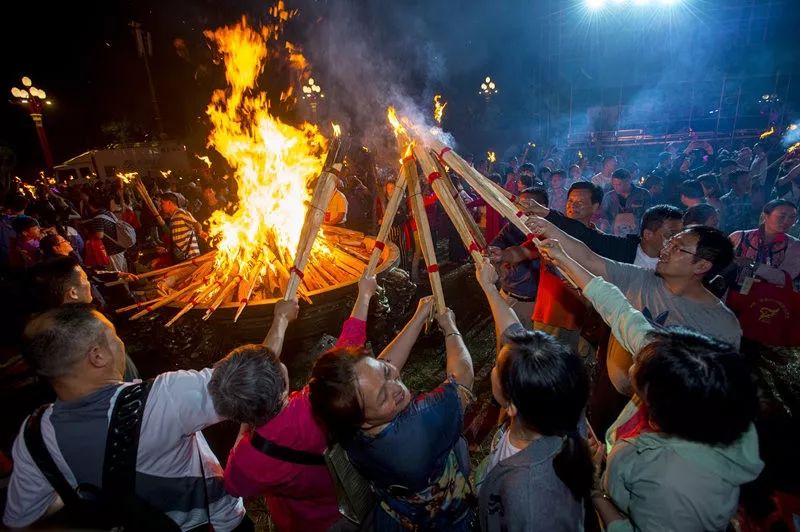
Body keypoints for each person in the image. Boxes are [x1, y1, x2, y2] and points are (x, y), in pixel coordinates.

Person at [534, 240, 763, 532]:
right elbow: (620, 311)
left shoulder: (676, 486)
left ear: (658, 408)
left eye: (636, 373)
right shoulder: (674, 367)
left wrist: (595, 492)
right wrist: (562, 256)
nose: (630, 365)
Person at [3, 304, 248, 530]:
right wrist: (280, 319)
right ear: (97, 355)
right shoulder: (163, 397)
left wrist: (73, 487)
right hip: (213, 525)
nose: (120, 344)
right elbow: (253, 378)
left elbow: (20, 518)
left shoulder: (34, 434)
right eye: (114, 336)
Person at [211, 278, 379, 532]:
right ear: (284, 385)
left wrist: (246, 424)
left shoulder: (248, 458)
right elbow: (347, 345)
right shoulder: (315, 405)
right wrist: (364, 295)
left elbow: (234, 485)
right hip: (346, 507)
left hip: (299, 524)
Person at [525, 216, 742, 395]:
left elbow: (712, 393)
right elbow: (589, 259)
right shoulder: (640, 278)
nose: (664, 250)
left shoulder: (721, 325)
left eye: (677, 248)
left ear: (702, 265)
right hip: (611, 393)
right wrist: (549, 228)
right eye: (669, 241)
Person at [308, 298, 475, 531]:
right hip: (446, 518)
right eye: (383, 397)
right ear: (362, 421)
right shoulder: (420, 426)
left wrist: (418, 318)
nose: (395, 387)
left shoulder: (344, 417)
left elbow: (374, 373)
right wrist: (449, 328)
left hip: (397, 512)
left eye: (386, 372)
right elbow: (463, 378)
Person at [473, 258, 591, 531]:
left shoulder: (528, 497)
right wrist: (489, 288)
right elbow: (513, 332)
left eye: (497, 368)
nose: (493, 370)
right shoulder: (561, 400)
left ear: (512, 405)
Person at [488, 188, 548, 330]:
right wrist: (498, 261)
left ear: (543, 207)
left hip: (536, 303)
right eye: (520, 205)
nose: (523, 210)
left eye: (529, 205)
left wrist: (505, 256)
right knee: (506, 346)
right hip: (509, 296)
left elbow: (525, 252)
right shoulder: (512, 227)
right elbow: (496, 247)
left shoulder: (550, 232)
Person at [729, 199, 800, 287]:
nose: (787, 221)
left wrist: (752, 265)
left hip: (769, 298)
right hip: (731, 294)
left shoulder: (795, 246)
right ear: (765, 216)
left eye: (792, 217)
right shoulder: (739, 237)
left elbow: (784, 278)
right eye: (782, 216)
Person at [83, 192, 128, 272]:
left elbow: (99, 235)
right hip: (119, 245)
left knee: (118, 272)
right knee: (123, 268)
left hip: (112, 249)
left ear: (91, 206)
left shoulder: (98, 218)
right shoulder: (107, 212)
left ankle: (124, 284)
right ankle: (128, 283)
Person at [600, 168, 651, 236]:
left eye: (619, 184)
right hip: (615, 235)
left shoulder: (643, 194)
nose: (616, 187)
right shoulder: (609, 197)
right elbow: (604, 216)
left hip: (637, 234)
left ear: (628, 181)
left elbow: (649, 215)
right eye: (614, 184)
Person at [159, 191, 204, 263]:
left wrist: (200, 232)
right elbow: (177, 240)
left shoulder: (181, 213)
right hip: (183, 259)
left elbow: (197, 224)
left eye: (162, 203)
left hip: (192, 258)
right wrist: (166, 250)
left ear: (169, 203)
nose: (161, 206)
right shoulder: (173, 218)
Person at [720, 169, 754, 234]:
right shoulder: (725, 200)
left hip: (749, 235)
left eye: (749, 181)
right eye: (744, 183)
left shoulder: (750, 198)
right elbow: (722, 223)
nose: (748, 185)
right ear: (733, 185)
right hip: (732, 235)